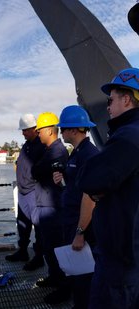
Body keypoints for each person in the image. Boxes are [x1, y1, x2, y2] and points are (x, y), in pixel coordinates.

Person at [78, 68, 139, 308]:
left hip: (123, 262)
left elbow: (89, 180)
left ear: (126, 99)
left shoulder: (128, 137)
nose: (107, 106)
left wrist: (98, 186)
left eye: (110, 100)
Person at [42, 105, 99, 306]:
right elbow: (77, 185)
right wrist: (63, 178)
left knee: (84, 274)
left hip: (80, 223)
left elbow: (90, 197)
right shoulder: (76, 153)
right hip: (71, 220)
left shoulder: (88, 155)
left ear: (74, 129)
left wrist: (80, 232)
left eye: (64, 128)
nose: (62, 132)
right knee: (76, 271)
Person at [30, 112, 69, 289]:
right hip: (45, 204)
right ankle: (53, 277)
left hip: (53, 207)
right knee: (48, 247)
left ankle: (62, 286)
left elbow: (36, 171)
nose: (37, 134)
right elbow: (38, 170)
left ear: (50, 131)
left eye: (40, 131)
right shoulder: (50, 151)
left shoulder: (57, 151)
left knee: (56, 248)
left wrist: (37, 169)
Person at [6, 114, 46, 269]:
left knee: (38, 227)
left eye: (25, 130)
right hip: (22, 192)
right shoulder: (26, 145)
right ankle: (22, 251)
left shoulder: (41, 146)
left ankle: (38, 257)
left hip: (33, 192)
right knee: (22, 224)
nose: (23, 133)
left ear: (34, 129)